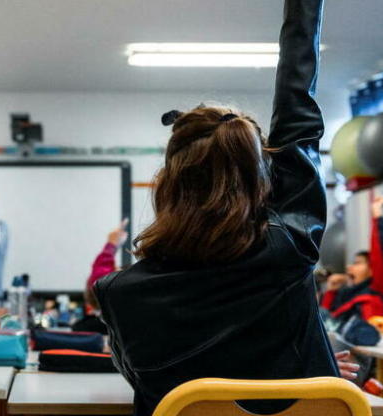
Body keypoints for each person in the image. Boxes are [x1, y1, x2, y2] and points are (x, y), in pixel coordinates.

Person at [93, 1, 342, 414]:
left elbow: (148, 385)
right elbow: (299, 123)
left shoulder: (118, 294)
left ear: (167, 186)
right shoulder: (292, 245)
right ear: (260, 183)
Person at [320, 195, 383, 320]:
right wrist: (331, 291)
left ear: (372, 269)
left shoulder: (378, 289)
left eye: (357, 263)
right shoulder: (343, 295)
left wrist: (377, 215)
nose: (349, 267)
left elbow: (380, 254)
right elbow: (325, 325)